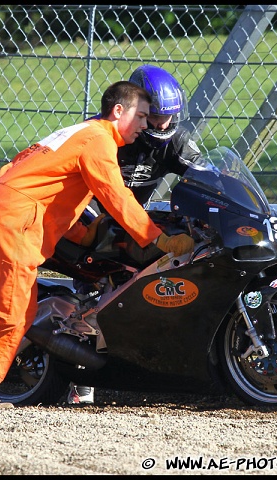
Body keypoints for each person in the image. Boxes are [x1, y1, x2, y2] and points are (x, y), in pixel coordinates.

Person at [0, 80, 195, 408]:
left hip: (11, 211)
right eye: (141, 116)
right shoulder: (99, 140)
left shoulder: (82, 133)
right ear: (118, 111)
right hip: (15, 217)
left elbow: (44, 181)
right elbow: (116, 196)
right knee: (8, 311)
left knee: (21, 312)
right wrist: (159, 239)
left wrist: (82, 234)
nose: (145, 125)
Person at [65, 64, 202, 405]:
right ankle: (80, 376)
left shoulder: (175, 139)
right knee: (100, 274)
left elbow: (206, 176)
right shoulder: (103, 136)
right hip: (87, 215)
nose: (161, 125)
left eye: (168, 117)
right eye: (153, 117)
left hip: (131, 215)